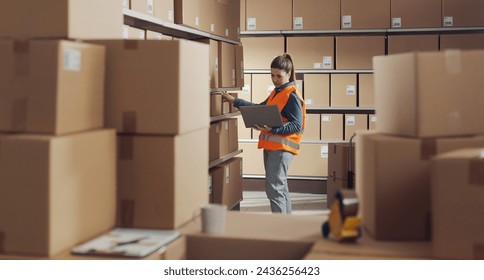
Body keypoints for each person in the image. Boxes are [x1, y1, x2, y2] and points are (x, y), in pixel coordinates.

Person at [222, 53, 306, 214]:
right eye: (272, 75)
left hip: (282, 149)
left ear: (288, 74)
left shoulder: (291, 95)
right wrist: (235, 101)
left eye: (279, 76)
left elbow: (297, 124)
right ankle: (286, 226)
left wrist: (273, 129)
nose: (274, 79)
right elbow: (258, 108)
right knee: (280, 188)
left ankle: (279, 228)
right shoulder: (277, 92)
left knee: (274, 189)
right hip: (272, 146)